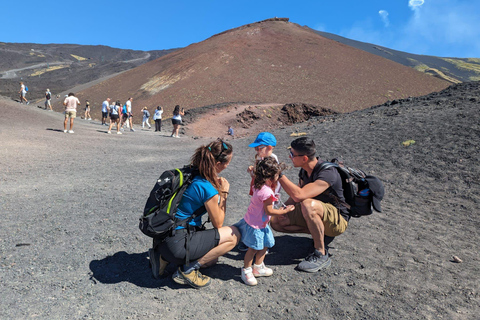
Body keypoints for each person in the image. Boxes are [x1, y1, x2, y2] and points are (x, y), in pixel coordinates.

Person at [149, 139, 240, 288]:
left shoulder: (190, 173)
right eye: (227, 162)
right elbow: (218, 223)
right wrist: (223, 193)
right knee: (233, 235)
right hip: (178, 242)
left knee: (211, 260)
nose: (228, 165)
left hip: (164, 237)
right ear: (218, 165)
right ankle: (186, 271)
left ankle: (162, 257)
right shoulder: (205, 187)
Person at [270, 137, 349, 272]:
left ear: (305, 158)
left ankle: (321, 253)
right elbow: (295, 198)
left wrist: (279, 174)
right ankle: (320, 235)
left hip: (337, 220)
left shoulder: (327, 173)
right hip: (317, 213)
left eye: (292, 155)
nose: (290, 157)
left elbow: (299, 195)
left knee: (308, 204)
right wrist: (283, 210)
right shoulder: (305, 171)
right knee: (276, 221)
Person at [235, 157, 294, 286]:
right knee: (253, 248)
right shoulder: (267, 192)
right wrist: (285, 211)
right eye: (277, 176)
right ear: (270, 177)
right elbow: (269, 211)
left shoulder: (258, 184)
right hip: (256, 226)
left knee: (265, 244)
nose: (278, 178)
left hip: (259, 223)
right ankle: (246, 270)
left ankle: (258, 266)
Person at [238, 132, 280, 252]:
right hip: (260, 193)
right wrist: (252, 171)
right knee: (256, 216)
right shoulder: (262, 158)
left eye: (259, 148)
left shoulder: (272, 160)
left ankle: (260, 244)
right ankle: (254, 240)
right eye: (256, 148)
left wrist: (273, 195)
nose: (256, 150)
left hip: (267, 195)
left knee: (261, 218)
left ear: (270, 147)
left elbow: (273, 180)